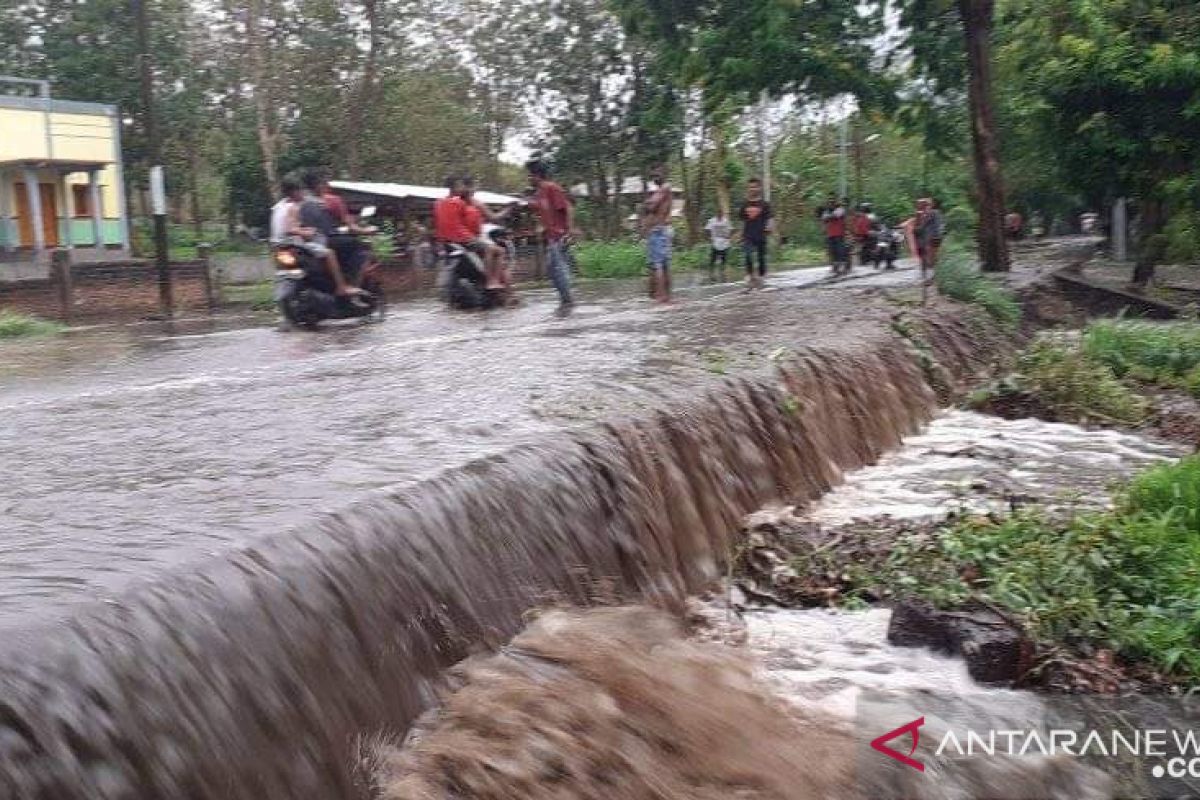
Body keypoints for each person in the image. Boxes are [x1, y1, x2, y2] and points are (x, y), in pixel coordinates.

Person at [293, 170, 363, 300]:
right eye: (324, 184)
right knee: (359, 246)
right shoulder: (328, 200)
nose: (326, 186)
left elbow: (296, 225)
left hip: (306, 243)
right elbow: (350, 226)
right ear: (318, 186)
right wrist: (366, 230)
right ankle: (349, 286)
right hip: (323, 240)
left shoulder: (298, 203)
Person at [525, 160, 575, 314]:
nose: (528, 179)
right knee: (552, 269)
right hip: (551, 237)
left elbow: (568, 207)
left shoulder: (552, 188)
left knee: (557, 268)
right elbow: (540, 210)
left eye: (529, 175)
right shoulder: (540, 192)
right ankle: (565, 301)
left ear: (537, 175)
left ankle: (567, 301)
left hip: (560, 235)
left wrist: (569, 231)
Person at [461, 177, 514, 291]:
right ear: (471, 187)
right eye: (474, 186)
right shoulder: (475, 203)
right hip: (474, 240)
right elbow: (494, 217)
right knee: (500, 251)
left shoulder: (455, 202)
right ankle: (492, 281)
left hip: (462, 240)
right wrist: (509, 209)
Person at [642, 165, 673, 303]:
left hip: (657, 231)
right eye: (653, 176)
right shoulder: (663, 190)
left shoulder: (664, 189)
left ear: (664, 175)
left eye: (657, 175)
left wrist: (646, 203)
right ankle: (665, 295)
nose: (655, 178)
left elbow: (651, 206)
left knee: (658, 265)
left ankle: (661, 296)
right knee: (664, 265)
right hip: (661, 230)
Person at [738, 179, 773, 289]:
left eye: (755, 187)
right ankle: (750, 275)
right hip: (747, 234)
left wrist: (769, 227)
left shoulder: (765, 204)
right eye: (750, 187)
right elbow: (741, 220)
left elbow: (770, 218)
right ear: (747, 189)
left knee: (761, 257)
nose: (752, 189)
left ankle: (762, 276)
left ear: (759, 188)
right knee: (748, 255)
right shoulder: (744, 204)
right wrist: (739, 234)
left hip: (761, 234)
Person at [704, 209, 732, 282]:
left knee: (724, 259)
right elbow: (707, 229)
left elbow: (730, 230)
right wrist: (708, 238)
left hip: (724, 242)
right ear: (716, 213)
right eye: (718, 212)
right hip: (715, 242)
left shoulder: (726, 221)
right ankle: (711, 273)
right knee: (713, 259)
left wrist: (729, 237)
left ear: (722, 213)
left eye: (721, 213)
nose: (720, 214)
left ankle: (722, 272)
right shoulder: (711, 220)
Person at [822, 197, 848, 274]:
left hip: (839, 234)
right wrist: (828, 216)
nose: (830, 205)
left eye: (832, 203)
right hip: (830, 234)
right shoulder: (827, 211)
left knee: (840, 250)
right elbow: (824, 218)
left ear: (835, 204)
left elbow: (834, 216)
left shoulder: (840, 210)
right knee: (832, 251)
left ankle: (842, 266)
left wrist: (828, 216)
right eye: (829, 203)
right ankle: (835, 266)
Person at [851, 203, 876, 267]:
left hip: (866, 232)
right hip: (863, 233)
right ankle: (864, 260)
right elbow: (860, 225)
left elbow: (874, 224)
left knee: (867, 246)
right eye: (867, 207)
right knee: (865, 247)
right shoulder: (861, 216)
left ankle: (867, 260)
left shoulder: (868, 215)